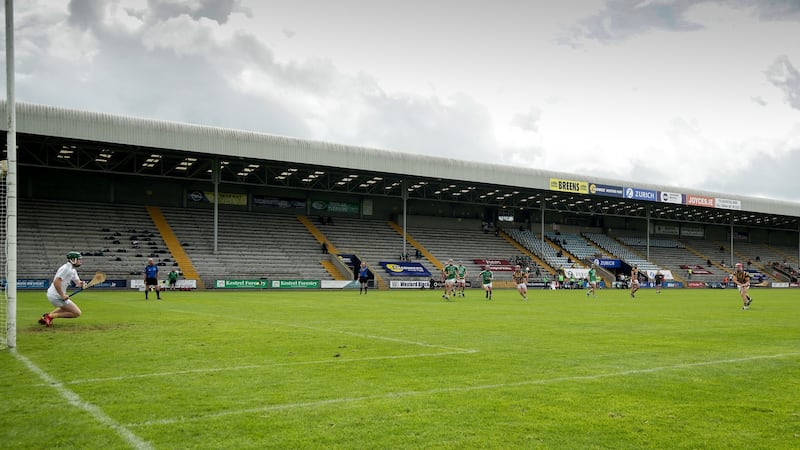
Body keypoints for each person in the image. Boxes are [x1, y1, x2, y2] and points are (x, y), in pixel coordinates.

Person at [39, 251, 88, 327]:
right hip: (55, 295)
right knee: (76, 313)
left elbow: (78, 282)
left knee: (65, 309)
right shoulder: (66, 268)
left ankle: (46, 317)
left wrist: (82, 284)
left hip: (57, 295)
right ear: (73, 260)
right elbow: (56, 282)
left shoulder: (72, 270)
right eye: (79, 259)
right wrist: (62, 295)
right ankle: (50, 316)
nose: (80, 261)